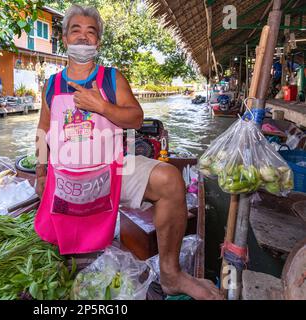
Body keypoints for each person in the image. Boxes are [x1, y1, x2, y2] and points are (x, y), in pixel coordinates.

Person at [34, 5, 222, 300]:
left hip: (112, 172)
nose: (83, 37)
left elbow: (135, 119)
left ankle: (171, 275)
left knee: (170, 179)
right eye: (76, 30)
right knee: (64, 262)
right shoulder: (52, 85)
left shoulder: (111, 78)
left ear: (97, 42)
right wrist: (42, 171)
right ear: (65, 36)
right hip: (68, 180)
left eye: (91, 32)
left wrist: (102, 106)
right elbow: (43, 132)